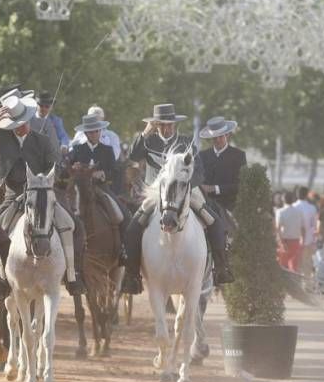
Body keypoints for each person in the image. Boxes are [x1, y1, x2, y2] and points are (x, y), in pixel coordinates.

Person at [0, 90, 83, 295]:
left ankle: (72, 275)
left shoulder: (41, 140)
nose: (22, 128)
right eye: (17, 125)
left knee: (71, 224)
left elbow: (56, 164)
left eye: (24, 122)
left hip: (42, 195)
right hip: (11, 195)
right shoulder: (0, 136)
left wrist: (44, 180)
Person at [124, 103, 234, 286]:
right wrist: (144, 133)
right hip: (155, 194)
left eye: (170, 125)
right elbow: (134, 156)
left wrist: (185, 186)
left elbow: (199, 171)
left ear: (175, 125)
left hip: (185, 192)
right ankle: (133, 275)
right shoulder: (148, 141)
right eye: (162, 125)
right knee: (132, 229)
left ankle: (221, 268)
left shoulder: (186, 142)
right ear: (156, 125)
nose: (166, 129)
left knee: (214, 222)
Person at [68, 113, 129, 264]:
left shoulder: (107, 150)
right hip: (80, 190)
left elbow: (115, 171)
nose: (95, 134)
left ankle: (123, 249)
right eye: (91, 132)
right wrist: (73, 168)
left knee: (123, 214)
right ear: (86, 133)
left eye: (97, 131)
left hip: (102, 189)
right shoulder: (77, 149)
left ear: (100, 131)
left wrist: (104, 175)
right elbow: (66, 168)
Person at [198, 116, 247, 213]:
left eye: (221, 136)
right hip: (204, 206)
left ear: (227, 135)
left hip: (229, 207)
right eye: (214, 137)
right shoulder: (202, 156)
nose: (218, 140)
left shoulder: (238, 155)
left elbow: (241, 185)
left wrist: (215, 188)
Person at [276, 191, 306, 271]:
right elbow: (303, 228)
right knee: (294, 267)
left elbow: (278, 229)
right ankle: (293, 283)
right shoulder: (299, 212)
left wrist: (281, 242)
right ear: (293, 199)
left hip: (285, 242)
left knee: (283, 266)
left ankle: (283, 283)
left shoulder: (280, 212)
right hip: (296, 241)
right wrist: (303, 240)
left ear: (283, 199)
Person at [293, 186, 319, 277]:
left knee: (296, 265)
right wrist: (314, 240)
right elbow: (314, 226)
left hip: (294, 240)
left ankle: (297, 288)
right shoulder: (312, 208)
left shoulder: (293, 207)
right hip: (308, 240)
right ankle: (307, 287)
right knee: (307, 265)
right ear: (307, 195)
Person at [34, 90, 71, 154]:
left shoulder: (55, 120)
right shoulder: (29, 119)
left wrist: (64, 145)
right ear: (36, 105)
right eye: (41, 105)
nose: (44, 109)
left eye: (47, 106)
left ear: (51, 107)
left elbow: (63, 136)